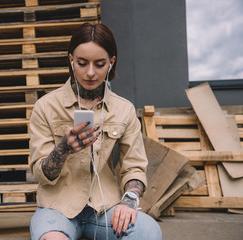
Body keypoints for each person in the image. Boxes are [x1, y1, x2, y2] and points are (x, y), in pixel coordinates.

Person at [29, 23, 162, 240]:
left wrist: (129, 202)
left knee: (148, 232)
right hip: (57, 209)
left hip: (105, 208)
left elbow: (134, 167)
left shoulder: (124, 109)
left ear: (111, 63)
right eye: (82, 63)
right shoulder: (45, 107)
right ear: (71, 60)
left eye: (99, 64)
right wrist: (63, 149)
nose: (90, 72)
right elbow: (40, 173)